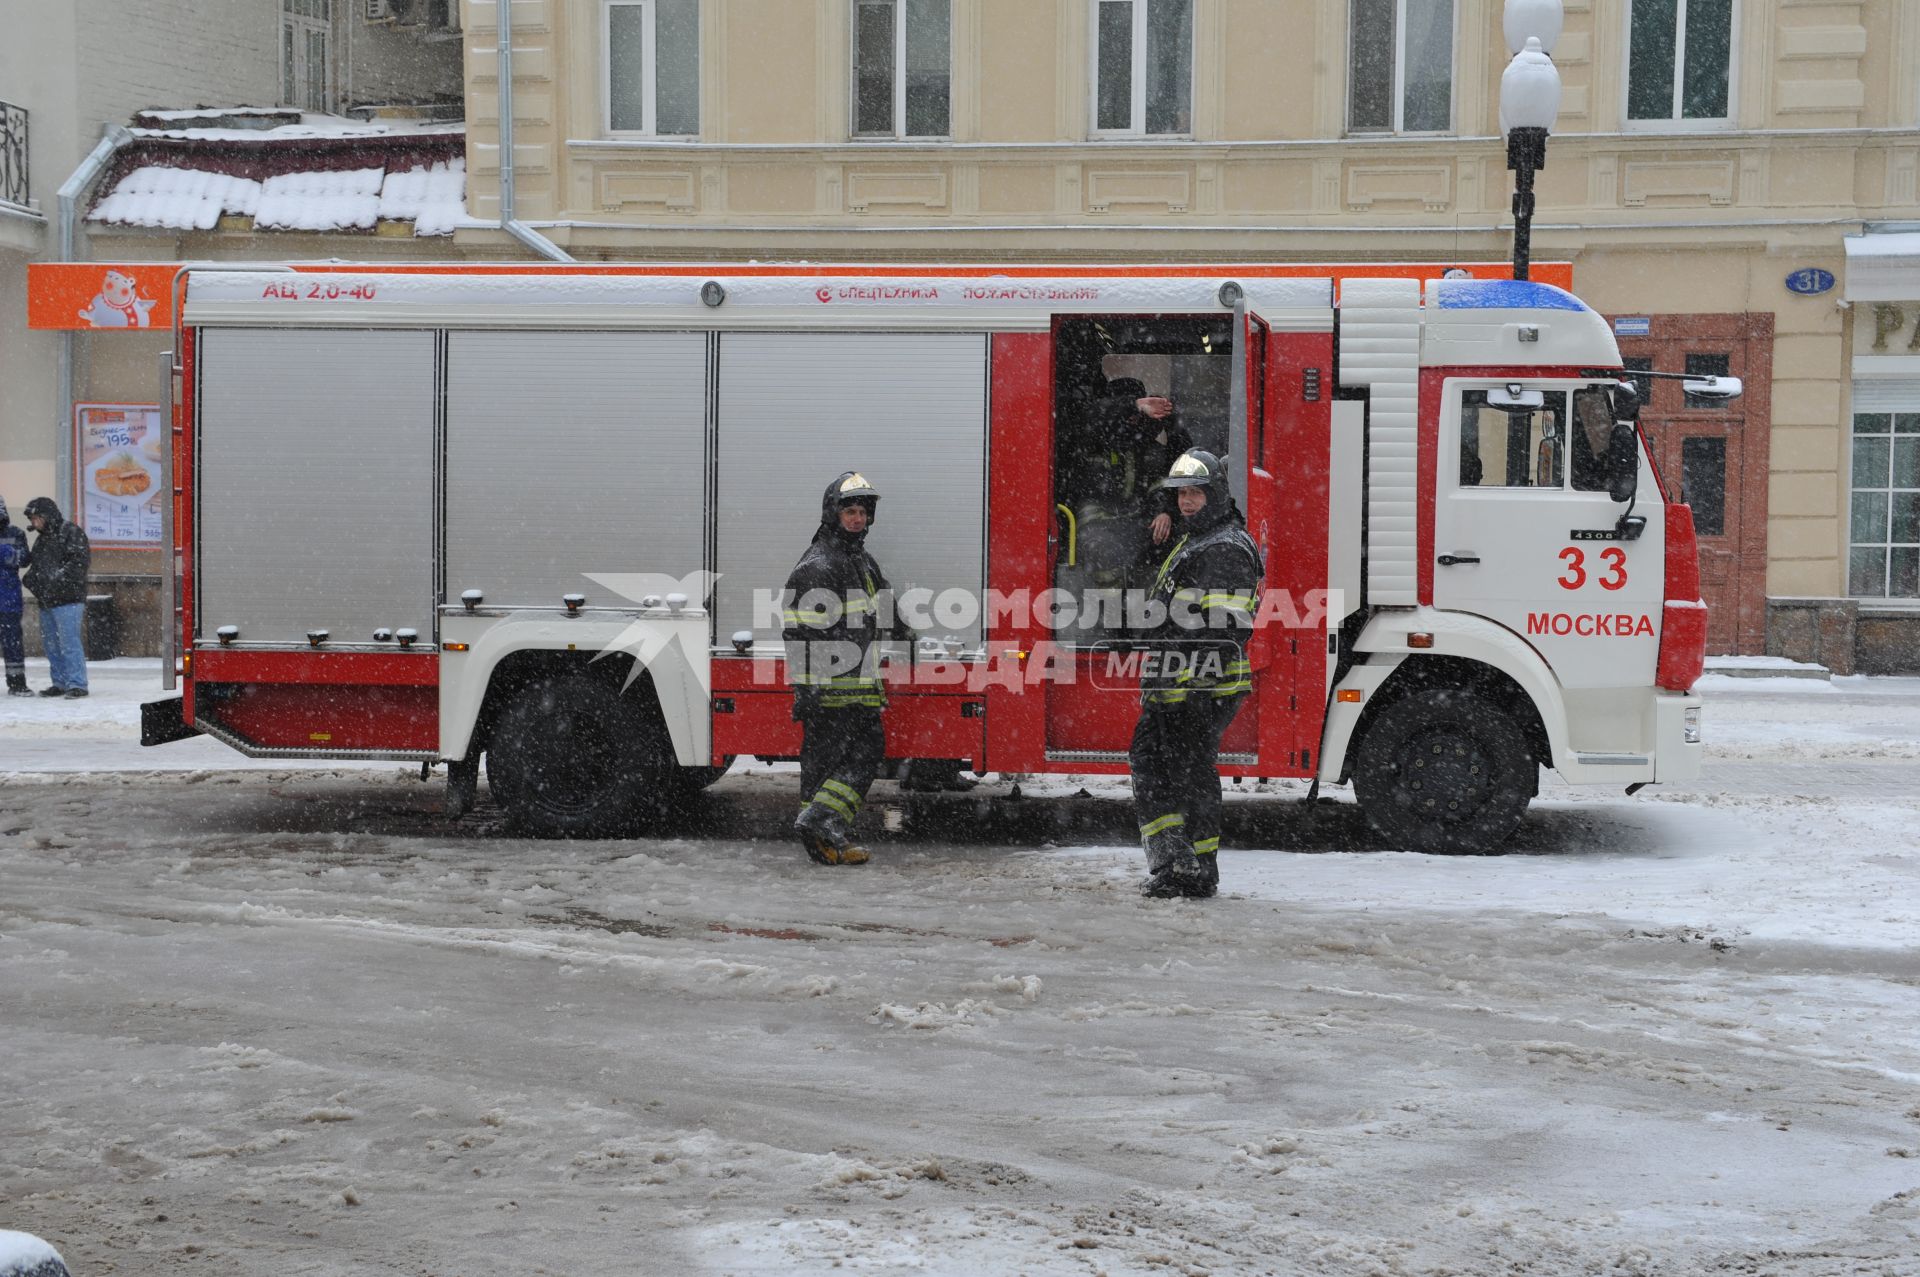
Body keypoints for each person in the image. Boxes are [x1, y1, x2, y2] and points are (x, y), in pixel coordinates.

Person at [1128, 450, 1263, 899]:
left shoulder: (1223, 546)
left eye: (1195, 493)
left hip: (1199, 686)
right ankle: (1175, 862)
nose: (1186, 502)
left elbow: (1225, 629)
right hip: (1176, 682)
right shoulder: (1198, 539)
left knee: (1184, 772)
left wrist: (1190, 684)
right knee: (1157, 765)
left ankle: (1194, 869)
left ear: (1215, 494)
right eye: (1182, 493)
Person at [783, 472, 905, 867]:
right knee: (835, 760)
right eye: (850, 511)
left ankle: (822, 828)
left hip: (856, 686)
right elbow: (802, 631)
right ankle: (822, 830)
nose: (857, 519)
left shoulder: (859, 560)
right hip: (831, 690)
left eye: (862, 512)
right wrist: (813, 689)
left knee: (847, 758)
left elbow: (882, 604)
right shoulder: (819, 564)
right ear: (833, 514)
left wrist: (909, 637)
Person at [1058, 373, 1192, 591]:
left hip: (1135, 519)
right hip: (1096, 523)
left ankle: (1156, 607)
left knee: (1174, 544)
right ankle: (1112, 614)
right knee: (1103, 549)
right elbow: (1087, 418)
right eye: (1130, 413)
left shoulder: (1146, 450)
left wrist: (1164, 511)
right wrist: (1133, 405)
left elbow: (1166, 477)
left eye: (1138, 415)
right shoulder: (1087, 441)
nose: (1133, 420)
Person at [21, 497, 92, 698]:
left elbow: (78, 563)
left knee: (69, 644)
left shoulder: (71, 532)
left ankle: (77, 683)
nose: (34, 523)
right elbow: (37, 566)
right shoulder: (42, 539)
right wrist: (32, 581)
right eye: (32, 519)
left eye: (36, 518)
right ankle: (60, 682)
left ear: (46, 516)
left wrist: (55, 580)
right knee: (51, 645)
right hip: (47, 601)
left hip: (69, 600)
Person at [0, 497, 30, 696]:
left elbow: (25, 559)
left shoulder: (15, 532)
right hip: (8, 597)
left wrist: (4, 552)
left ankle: (17, 683)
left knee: (13, 645)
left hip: (8, 600)